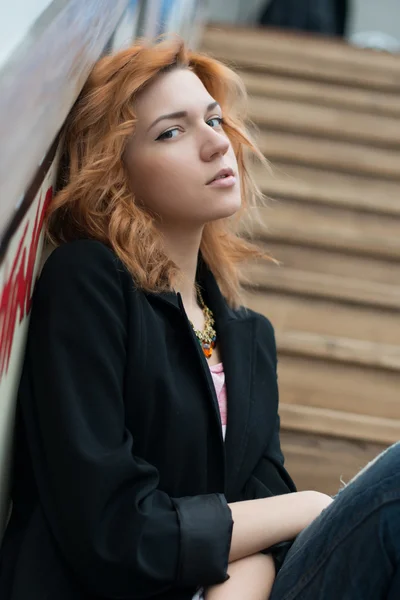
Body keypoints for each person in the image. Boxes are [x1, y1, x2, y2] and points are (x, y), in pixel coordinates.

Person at [0, 37, 399, 600]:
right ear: (116, 171)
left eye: (214, 119)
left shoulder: (247, 335)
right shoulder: (88, 282)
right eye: (172, 131)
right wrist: (312, 506)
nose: (216, 143)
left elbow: (266, 518)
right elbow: (113, 529)